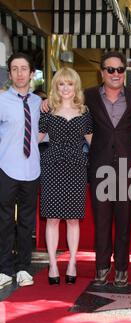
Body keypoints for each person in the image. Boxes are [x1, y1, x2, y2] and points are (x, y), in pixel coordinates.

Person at [85, 51, 131, 287]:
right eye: (110, 69)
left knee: (125, 220)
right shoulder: (88, 96)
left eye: (119, 70)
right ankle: (101, 266)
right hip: (100, 168)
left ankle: (122, 268)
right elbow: (65, 103)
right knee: (102, 220)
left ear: (124, 72)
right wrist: (47, 101)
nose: (115, 74)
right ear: (102, 72)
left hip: (128, 169)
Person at [39, 67, 93, 285]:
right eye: (61, 84)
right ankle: (53, 264)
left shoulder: (84, 112)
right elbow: (36, 139)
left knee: (72, 219)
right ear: (56, 87)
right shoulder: (47, 112)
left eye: (70, 84)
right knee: (52, 219)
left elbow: (92, 142)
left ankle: (71, 263)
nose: (66, 88)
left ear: (76, 86)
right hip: (51, 167)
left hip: (77, 168)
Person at [0, 52, 41, 289]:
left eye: (23, 68)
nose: (19, 73)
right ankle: (4, 269)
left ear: (31, 73)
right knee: (4, 221)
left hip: (31, 169)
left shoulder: (39, 103)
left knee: (27, 222)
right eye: (14, 69)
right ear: (10, 73)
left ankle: (24, 267)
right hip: (6, 167)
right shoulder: (2, 100)